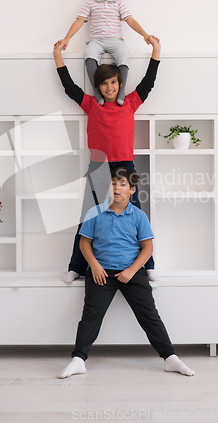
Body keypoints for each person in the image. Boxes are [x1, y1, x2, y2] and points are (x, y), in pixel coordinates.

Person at [58, 167, 195, 379]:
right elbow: (84, 243)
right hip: (101, 272)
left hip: (132, 272)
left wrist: (132, 271)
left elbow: (147, 248)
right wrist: (94, 265)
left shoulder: (139, 215)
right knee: (91, 316)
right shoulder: (94, 213)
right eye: (113, 184)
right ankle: (78, 360)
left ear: (132, 190)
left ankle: (170, 358)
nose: (117, 188)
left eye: (122, 185)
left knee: (149, 315)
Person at [53, 35, 161, 283]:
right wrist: (58, 57)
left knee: (135, 214)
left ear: (119, 83)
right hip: (99, 166)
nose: (109, 87)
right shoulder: (92, 105)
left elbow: (148, 82)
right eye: (104, 84)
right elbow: (70, 88)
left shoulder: (130, 103)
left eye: (113, 82)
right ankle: (76, 267)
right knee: (87, 216)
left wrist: (156, 51)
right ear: (98, 86)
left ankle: (148, 265)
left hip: (124, 165)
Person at [60, 0, 153, 106]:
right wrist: (66, 39)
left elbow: (131, 21)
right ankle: (97, 92)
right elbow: (79, 21)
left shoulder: (119, 4)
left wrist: (145, 34)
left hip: (115, 40)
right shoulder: (90, 3)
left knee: (123, 55)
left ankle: (121, 91)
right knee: (89, 56)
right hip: (96, 41)